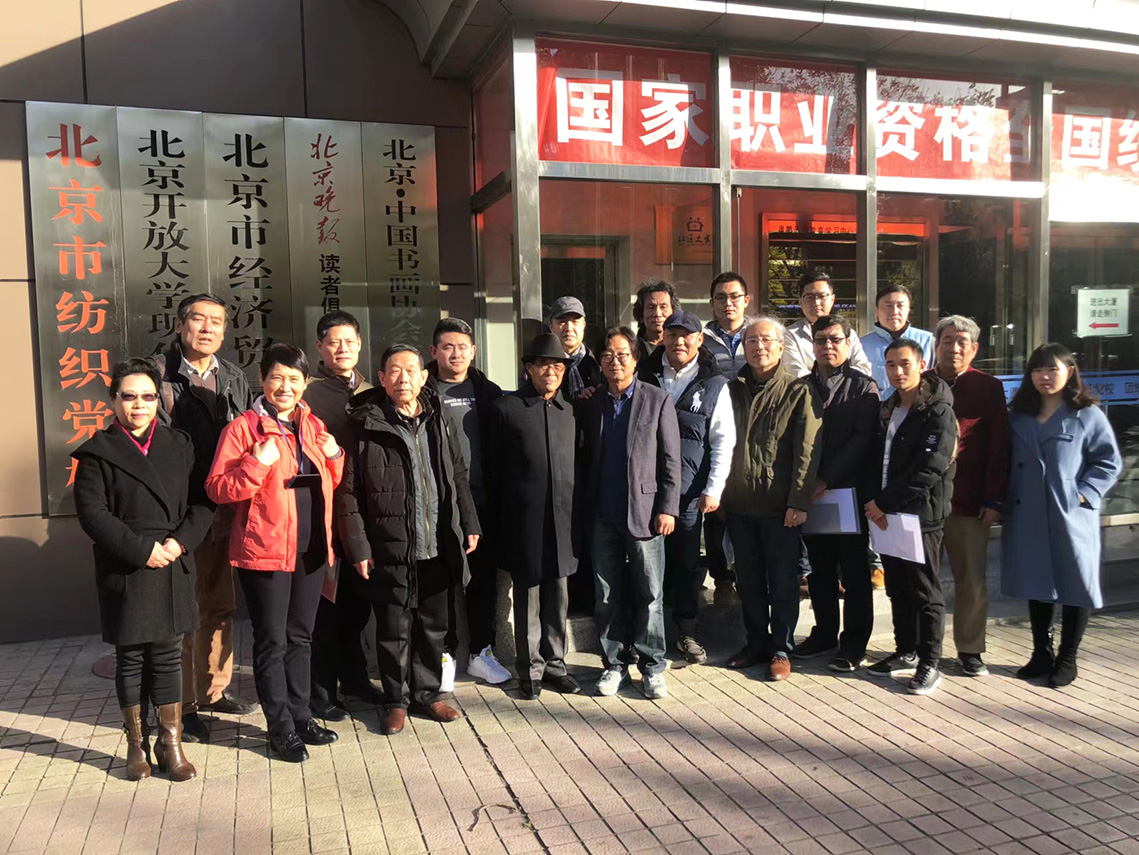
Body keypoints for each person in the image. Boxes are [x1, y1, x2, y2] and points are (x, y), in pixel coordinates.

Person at [73, 358, 213, 782]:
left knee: (169, 656)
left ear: (159, 400)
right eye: (129, 396)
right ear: (113, 400)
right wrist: (141, 550)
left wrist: (179, 542)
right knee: (131, 658)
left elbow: (203, 501)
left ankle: (171, 745)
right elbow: (93, 514)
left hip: (172, 558)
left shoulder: (181, 445)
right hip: (127, 563)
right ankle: (136, 744)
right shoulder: (97, 452)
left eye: (148, 396)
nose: (139, 405)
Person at [205, 344, 344, 762]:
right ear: (262, 379)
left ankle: (301, 717)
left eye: (294, 379)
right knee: (272, 641)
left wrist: (336, 455)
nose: (286, 387)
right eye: (277, 378)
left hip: (311, 548)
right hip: (265, 551)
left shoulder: (312, 424)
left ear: (305, 383)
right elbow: (218, 488)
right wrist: (256, 464)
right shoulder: (243, 429)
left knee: (301, 637)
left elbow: (330, 481)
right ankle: (279, 728)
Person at [337, 345, 480, 735]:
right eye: (394, 371)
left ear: (423, 377)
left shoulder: (438, 418)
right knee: (393, 629)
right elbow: (347, 493)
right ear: (382, 379)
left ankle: (427, 694)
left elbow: (458, 474)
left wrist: (469, 522)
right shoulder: (364, 425)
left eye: (411, 371)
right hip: (390, 543)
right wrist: (358, 546)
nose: (403, 378)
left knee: (433, 625)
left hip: (437, 541)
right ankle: (396, 700)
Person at [158, 293, 257, 743]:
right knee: (182, 610)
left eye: (216, 321)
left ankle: (214, 691)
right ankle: (182, 705)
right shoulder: (158, 374)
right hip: (179, 511)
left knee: (219, 604)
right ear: (180, 325)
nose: (207, 328)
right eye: (198, 319)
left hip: (222, 508)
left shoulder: (233, 376)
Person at [1002, 343, 1121, 688]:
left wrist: (1084, 493)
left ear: (1069, 372)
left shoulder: (1086, 414)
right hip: (1027, 512)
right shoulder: (1018, 416)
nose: (1044, 376)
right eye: (1037, 369)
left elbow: (1108, 461)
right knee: (1036, 581)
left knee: (1075, 583)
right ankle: (1041, 652)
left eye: (1052, 369)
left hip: (1070, 514)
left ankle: (1068, 657)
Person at [577, 327, 680, 699]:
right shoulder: (590, 402)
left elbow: (671, 460)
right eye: (608, 355)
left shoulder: (657, 399)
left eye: (622, 355)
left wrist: (668, 508)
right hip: (602, 513)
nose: (615, 361)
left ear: (636, 359)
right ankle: (615, 665)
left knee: (650, 594)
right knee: (606, 595)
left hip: (646, 513)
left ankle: (652, 666)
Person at [721, 318, 822, 682]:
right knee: (748, 581)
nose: (759, 346)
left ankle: (781, 647)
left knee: (782, 581)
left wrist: (799, 501)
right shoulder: (731, 390)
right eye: (751, 340)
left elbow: (807, 452)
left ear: (781, 347)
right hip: (740, 503)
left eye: (766, 340)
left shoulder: (798, 391)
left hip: (781, 508)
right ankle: (756, 642)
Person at [486, 334, 581, 700]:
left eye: (558, 366)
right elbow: (493, 471)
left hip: (563, 519)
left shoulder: (569, 410)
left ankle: (557, 665)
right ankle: (530, 669)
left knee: (559, 595)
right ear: (529, 368)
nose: (551, 372)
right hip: (523, 521)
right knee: (528, 597)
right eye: (543, 365)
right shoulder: (506, 409)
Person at [638, 310, 735, 665]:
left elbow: (723, 440)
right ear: (662, 338)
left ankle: (686, 630)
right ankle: (645, 636)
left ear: (699, 340)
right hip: (645, 489)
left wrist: (714, 488)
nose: (678, 341)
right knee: (646, 565)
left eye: (686, 335)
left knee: (685, 563)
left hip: (689, 492)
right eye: (672, 334)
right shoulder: (645, 374)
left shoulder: (714, 384)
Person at [303, 311, 386, 721]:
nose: (342, 349)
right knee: (325, 607)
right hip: (324, 512)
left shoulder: (373, 392)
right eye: (333, 342)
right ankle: (320, 690)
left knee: (357, 603)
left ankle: (354, 679)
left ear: (359, 345)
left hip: (364, 514)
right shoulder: (307, 394)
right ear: (320, 347)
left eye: (349, 341)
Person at [865, 339, 957, 696]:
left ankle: (930, 662)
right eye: (890, 364)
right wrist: (876, 502)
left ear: (921, 365)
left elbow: (929, 468)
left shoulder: (937, 411)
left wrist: (883, 502)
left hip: (920, 515)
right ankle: (906, 650)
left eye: (904, 363)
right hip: (887, 513)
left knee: (925, 591)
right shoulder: (888, 407)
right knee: (898, 588)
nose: (897, 371)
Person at [426, 317, 510, 692]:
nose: (456, 353)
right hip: (439, 504)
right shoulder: (422, 391)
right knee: (443, 583)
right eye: (448, 346)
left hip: (482, 501)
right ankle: (444, 655)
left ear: (473, 351)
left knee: (482, 581)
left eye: (462, 347)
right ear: (434, 352)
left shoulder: (488, 392)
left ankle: (481, 653)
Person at [795, 316, 879, 672]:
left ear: (848, 343)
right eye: (820, 340)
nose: (827, 346)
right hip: (811, 495)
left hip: (848, 493)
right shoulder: (801, 386)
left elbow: (863, 440)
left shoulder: (863, 387)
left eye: (834, 339)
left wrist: (826, 478)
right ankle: (825, 633)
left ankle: (854, 644)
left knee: (854, 571)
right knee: (819, 569)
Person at [933, 316, 1010, 678]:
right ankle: (923, 647)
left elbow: (999, 446)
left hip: (969, 501)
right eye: (948, 340)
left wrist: (994, 500)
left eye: (962, 342)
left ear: (975, 349)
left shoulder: (988, 387)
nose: (954, 348)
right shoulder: (922, 382)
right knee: (923, 581)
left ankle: (970, 649)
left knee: (972, 581)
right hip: (925, 503)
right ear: (937, 344)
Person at [704, 272, 754, 604]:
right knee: (716, 508)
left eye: (734, 296)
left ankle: (749, 573)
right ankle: (721, 577)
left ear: (746, 300)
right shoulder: (701, 338)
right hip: (716, 432)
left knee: (749, 507)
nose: (728, 303)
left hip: (754, 431)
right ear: (712, 303)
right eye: (721, 297)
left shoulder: (759, 334)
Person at [782, 270, 871, 379]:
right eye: (809, 297)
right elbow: (795, 373)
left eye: (822, 296)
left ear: (832, 299)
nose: (816, 303)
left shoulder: (848, 333)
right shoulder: (790, 335)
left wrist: (836, 383)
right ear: (800, 302)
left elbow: (863, 368)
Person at [861, 283, 935, 401]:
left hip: (919, 407)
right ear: (877, 311)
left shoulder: (929, 341)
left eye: (900, 306)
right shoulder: (861, 345)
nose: (894, 311)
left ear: (908, 310)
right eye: (888, 306)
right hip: (875, 408)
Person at [548, 296, 603, 400]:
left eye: (575, 322)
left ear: (584, 325)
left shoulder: (598, 363)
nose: (569, 329)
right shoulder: (543, 366)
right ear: (551, 326)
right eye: (562, 322)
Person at [633, 279, 680, 362]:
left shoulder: (682, 347)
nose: (657, 314)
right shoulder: (630, 349)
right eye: (651, 308)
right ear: (641, 313)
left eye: (663, 307)